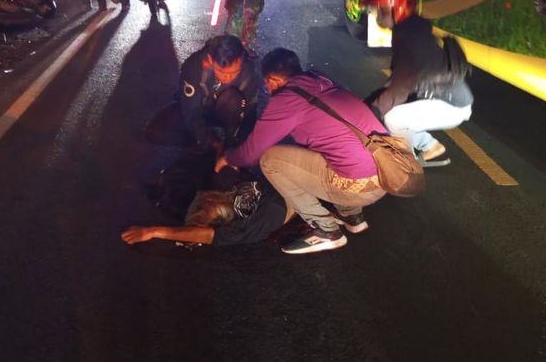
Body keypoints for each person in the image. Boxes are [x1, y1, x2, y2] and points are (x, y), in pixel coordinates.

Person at [215, 48, 389, 255]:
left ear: (272, 80)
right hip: (385, 174)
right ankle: (351, 215)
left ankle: (326, 230)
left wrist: (227, 157)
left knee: (271, 160)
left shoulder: (286, 99)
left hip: (357, 188)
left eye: (266, 83)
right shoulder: (321, 80)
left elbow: (251, 153)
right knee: (334, 150)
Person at [362, 0, 474, 162]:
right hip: (447, 98)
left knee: (393, 118)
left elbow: (401, 86)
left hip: (451, 105)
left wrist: (372, 111)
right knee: (388, 106)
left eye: (379, 9)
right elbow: (400, 80)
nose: (375, 14)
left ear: (394, 8)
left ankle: (405, 164)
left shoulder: (409, 38)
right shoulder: (409, 30)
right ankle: (431, 146)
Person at [121, 172, 294, 247]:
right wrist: (153, 232)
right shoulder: (240, 227)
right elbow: (205, 235)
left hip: (286, 193)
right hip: (288, 194)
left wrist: (153, 231)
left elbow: (204, 235)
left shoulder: (227, 187)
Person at [179, 35, 261, 153]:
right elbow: (191, 113)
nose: (227, 78)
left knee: (233, 101)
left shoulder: (249, 72)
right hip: (201, 111)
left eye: (234, 72)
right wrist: (211, 141)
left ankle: (228, 143)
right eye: (221, 72)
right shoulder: (194, 66)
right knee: (157, 130)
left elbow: (249, 115)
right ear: (210, 59)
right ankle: (197, 147)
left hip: (229, 115)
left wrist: (235, 151)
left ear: (242, 61)